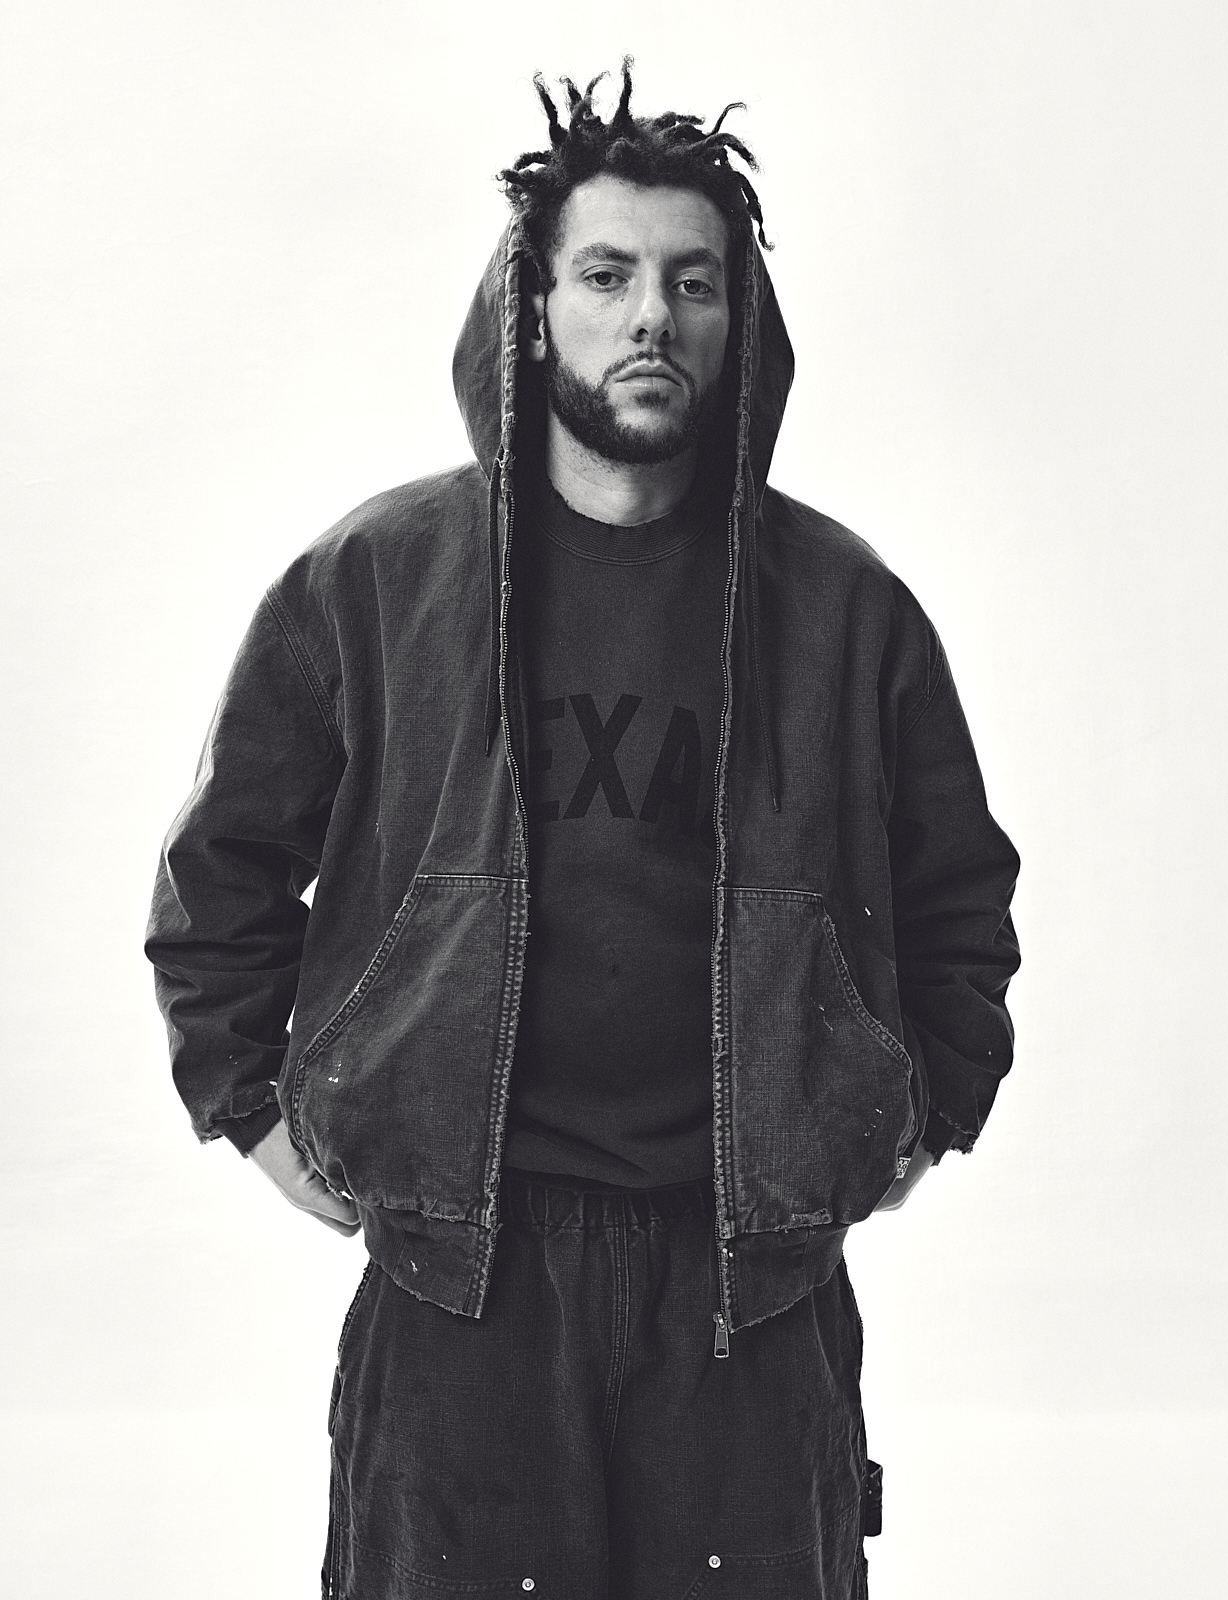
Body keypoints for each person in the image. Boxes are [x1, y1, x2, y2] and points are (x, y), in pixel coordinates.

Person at [146, 61, 1020, 1600]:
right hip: (461, 1284)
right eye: (606, 276)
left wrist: (914, 1115)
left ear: (740, 324)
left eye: (694, 282)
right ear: (533, 310)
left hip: (749, 1286)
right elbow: (220, 877)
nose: (651, 318)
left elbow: (961, 896)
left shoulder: (847, 611)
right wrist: (262, 1118)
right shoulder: (376, 582)